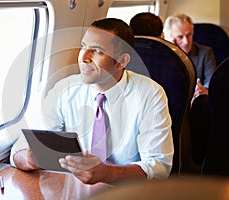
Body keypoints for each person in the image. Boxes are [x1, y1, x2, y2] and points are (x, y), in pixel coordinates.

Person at [10, 18, 174, 184]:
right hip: (73, 188)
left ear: (122, 61)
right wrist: (28, 159)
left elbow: (159, 167)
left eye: (96, 50)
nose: (83, 57)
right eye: (83, 46)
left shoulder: (150, 94)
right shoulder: (64, 89)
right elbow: (21, 148)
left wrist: (108, 174)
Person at [163, 13, 217, 98]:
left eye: (189, 35)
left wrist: (203, 90)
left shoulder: (205, 53)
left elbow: (212, 86)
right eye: (180, 37)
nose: (186, 42)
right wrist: (171, 51)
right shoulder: (163, 56)